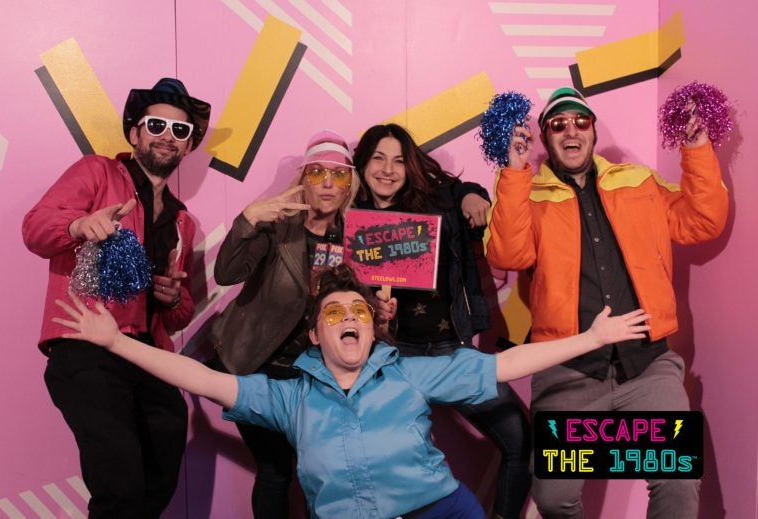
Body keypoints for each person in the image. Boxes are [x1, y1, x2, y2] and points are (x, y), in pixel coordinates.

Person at [53, 263, 651, 519]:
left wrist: (591, 337)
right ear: (316, 333)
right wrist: (115, 343)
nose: (348, 317)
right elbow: (205, 380)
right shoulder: (288, 397)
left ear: (372, 327)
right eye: (334, 311)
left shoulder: (411, 373)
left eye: (359, 311)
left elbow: (506, 364)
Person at [485, 86, 729, 518]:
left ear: (593, 129)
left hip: (646, 364)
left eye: (580, 121)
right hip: (568, 371)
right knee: (552, 498)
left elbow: (701, 220)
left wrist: (696, 148)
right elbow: (507, 254)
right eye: (558, 124)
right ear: (545, 137)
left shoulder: (637, 182)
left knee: (677, 476)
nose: (571, 131)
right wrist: (515, 172)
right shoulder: (530, 196)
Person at [22, 77, 211, 518]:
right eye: (156, 124)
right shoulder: (97, 172)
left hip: (145, 356)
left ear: (187, 147)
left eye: (180, 131)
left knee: (160, 471)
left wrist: (169, 298)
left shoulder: (184, 222)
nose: (168, 136)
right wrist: (78, 226)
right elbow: (35, 228)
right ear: (135, 133)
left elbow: (180, 312)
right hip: (86, 345)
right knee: (120, 485)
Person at [353, 123, 532, 518]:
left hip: (450, 352)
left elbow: (463, 191)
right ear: (362, 164)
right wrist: (369, 311)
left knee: (520, 438)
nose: (388, 169)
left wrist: (472, 195)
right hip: (389, 361)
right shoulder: (348, 220)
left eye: (399, 160)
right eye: (378, 158)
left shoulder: (435, 202)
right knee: (382, 463)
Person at [209, 130, 361, 518]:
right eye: (316, 173)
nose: (328, 184)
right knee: (275, 469)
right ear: (302, 181)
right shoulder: (277, 228)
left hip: (316, 377)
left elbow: (355, 307)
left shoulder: (356, 239)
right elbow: (226, 273)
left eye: (339, 175)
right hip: (259, 370)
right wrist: (247, 220)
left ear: (349, 186)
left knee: (319, 470)